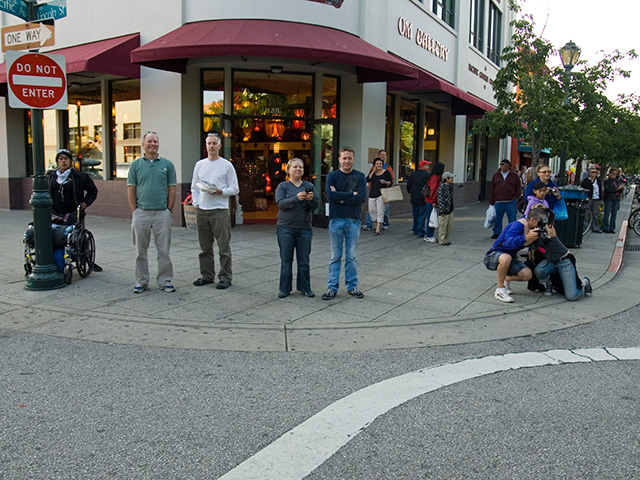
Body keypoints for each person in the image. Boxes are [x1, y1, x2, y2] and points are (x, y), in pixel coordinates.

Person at [127, 132, 177, 293]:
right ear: (143, 145)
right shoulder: (135, 165)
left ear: (158, 144)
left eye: (155, 141)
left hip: (162, 213)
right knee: (140, 251)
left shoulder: (167, 165)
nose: (152, 144)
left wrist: (169, 210)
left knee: (164, 250)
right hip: (141, 213)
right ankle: (141, 281)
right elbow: (131, 189)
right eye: (149, 141)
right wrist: (135, 211)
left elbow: (172, 188)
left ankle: (165, 280)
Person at [191, 133, 240, 289]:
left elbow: (235, 189)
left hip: (219, 210)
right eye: (209, 143)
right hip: (202, 210)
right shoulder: (200, 165)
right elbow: (194, 186)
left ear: (219, 146)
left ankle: (225, 276)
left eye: (214, 143)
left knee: (223, 246)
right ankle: (207, 275)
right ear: (205, 146)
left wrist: (220, 192)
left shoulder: (226, 165)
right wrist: (197, 203)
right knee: (204, 246)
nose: (211, 146)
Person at [46, 148, 102, 272]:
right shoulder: (50, 177)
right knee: (54, 236)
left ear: (70, 161)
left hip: (74, 213)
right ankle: (54, 259)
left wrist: (85, 203)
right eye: (61, 159)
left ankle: (87, 258)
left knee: (78, 238)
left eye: (66, 159)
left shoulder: (80, 176)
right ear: (57, 162)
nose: (63, 161)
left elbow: (93, 191)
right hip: (55, 213)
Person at [322, 146, 367, 300]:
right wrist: (349, 194)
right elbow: (330, 195)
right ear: (339, 159)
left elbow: (361, 198)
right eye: (344, 158)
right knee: (335, 256)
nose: (347, 161)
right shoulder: (332, 176)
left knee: (351, 256)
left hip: (354, 221)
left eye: (350, 158)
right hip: (336, 220)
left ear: (353, 159)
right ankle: (332, 287)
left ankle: (352, 286)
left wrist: (339, 197)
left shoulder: (360, 176)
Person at [275, 158, 319, 298]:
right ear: (288, 170)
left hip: (304, 229)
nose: (298, 169)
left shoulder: (309, 185)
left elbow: (315, 206)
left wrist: (311, 199)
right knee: (286, 261)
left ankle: (305, 287)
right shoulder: (283, 186)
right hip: (285, 228)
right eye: (295, 167)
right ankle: (284, 289)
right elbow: (281, 204)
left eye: (300, 167)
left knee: (304, 261)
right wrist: (296, 198)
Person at [483, 207, 545, 303]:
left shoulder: (532, 229)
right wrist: (525, 238)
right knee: (506, 257)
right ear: (532, 220)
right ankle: (500, 290)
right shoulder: (518, 225)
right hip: (494, 254)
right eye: (540, 222)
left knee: (527, 275)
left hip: (510, 258)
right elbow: (507, 242)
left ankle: (505, 279)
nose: (541, 225)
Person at [532, 207, 592, 300]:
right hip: (551, 262)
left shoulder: (549, 228)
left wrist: (549, 232)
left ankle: (585, 283)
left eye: (543, 220)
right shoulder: (531, 229)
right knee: (539, 271)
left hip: (564, 261)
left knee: (572, 296)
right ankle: (549, 283)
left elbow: (552, 240)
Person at [489, 159, 522, 239]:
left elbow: (518, 187)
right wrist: (492, 201)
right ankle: (496, 232)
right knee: (498, 218)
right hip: (499, 201)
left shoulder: (514, 176)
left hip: (510, 201)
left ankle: (512, 232)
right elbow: (492, 188)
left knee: (512, 218)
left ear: (508, 165)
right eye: (500, 164)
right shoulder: (496, 175)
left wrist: (516, 196)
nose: (501, 166)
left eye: (503, 164)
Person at [363, 149, 394, 230]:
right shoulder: (373, 168)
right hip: (373, 192)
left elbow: (391, 180)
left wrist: (386, 182)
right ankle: (373, 223)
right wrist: (373, 171)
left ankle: (383, 224)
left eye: (384, 155)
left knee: (384, 210)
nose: (382, 156)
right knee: (371, 210)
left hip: (383, 192)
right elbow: (368, 179)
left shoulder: (388, 168)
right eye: (381, 155)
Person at [406, 160, 431, 238]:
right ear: (423, 166)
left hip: (414, 197)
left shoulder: (413, 175)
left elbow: (408, 186)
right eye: (427, 165)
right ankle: (420, 230)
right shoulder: (428, 175)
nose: (428, 167)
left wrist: (411, 192)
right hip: (423, 197)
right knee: (422, 214)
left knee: (415, 213)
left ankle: (415, 229)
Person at [423, 161, 444, 243]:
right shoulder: (435, 178)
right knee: (431, 218)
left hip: (428, 200)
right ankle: (429, 235)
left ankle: (428, 234)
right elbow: (434, 190)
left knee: (430, 217)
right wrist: (434, 201)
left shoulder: (432, 176)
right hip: (431, 201)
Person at [602, 167, 624, 234]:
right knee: (607, 213)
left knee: (614, 214)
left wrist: (620, 189)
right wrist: (616, 189)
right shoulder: (606, 182)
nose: (614, 175)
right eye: (613, 173)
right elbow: (607, 190)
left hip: (616, 199)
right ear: (610, 174)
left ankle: (612, 228)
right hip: (608, 199)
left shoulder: (617, 181)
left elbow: (620, 189)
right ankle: (605, 227)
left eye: (616, 174)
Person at [580, 167, 603, 233]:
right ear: (589, 173)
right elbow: (583, 189)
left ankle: (595, 227)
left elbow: (600, 189)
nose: (594, 174)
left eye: (596, 172)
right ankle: (585, 227)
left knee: (595, 213)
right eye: (593, 172)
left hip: (596, 198)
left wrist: (600, 198)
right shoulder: (586, 181)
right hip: (588, 198)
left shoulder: (598, 181)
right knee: (586, 213)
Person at [436, 171, 455, 245]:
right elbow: (440, 200)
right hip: (444, 211)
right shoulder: (441, 188)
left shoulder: (449, 187)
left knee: (449, 226)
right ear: (446, 179)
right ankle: (442, 240)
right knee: (443, 226)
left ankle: (446, 239)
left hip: (450, 210)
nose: (452, 179)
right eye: (451, 178)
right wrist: (442, 211)